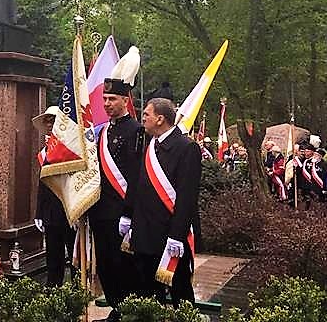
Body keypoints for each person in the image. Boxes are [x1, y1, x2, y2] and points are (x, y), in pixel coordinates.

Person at [122, 98, 201, 306]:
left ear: (160, 119)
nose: (143, 119)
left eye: (146, 114)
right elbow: (137, 184)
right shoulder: (150, 145)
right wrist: (128, 215)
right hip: (144, 233)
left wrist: (177, 236)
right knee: (147, 293)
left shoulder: (186, 147)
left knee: (180, 294)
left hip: (170, 236)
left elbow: (187, 197)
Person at [88, 47, 143, 321]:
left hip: (123, 211)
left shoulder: (137, 132)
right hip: (101, 212)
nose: (107, 103)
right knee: (106, 264)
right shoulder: (104, 131)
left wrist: (130, 213)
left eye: (112, 99)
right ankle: (115, 308)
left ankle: (128, 312)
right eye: (104, 98)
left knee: (124, 265)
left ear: (125, 100)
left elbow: (136, 176)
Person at [33, 106, 76, 286]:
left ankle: (76, 290)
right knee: (53, 256)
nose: (50, 125)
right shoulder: (44, 151)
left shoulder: (71, 150)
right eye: (47, 122)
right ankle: (53, 290)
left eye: (53, 121)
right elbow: (42, 184)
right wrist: (39, 213)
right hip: (50, 211)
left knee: (74, 255)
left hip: (69, 210)